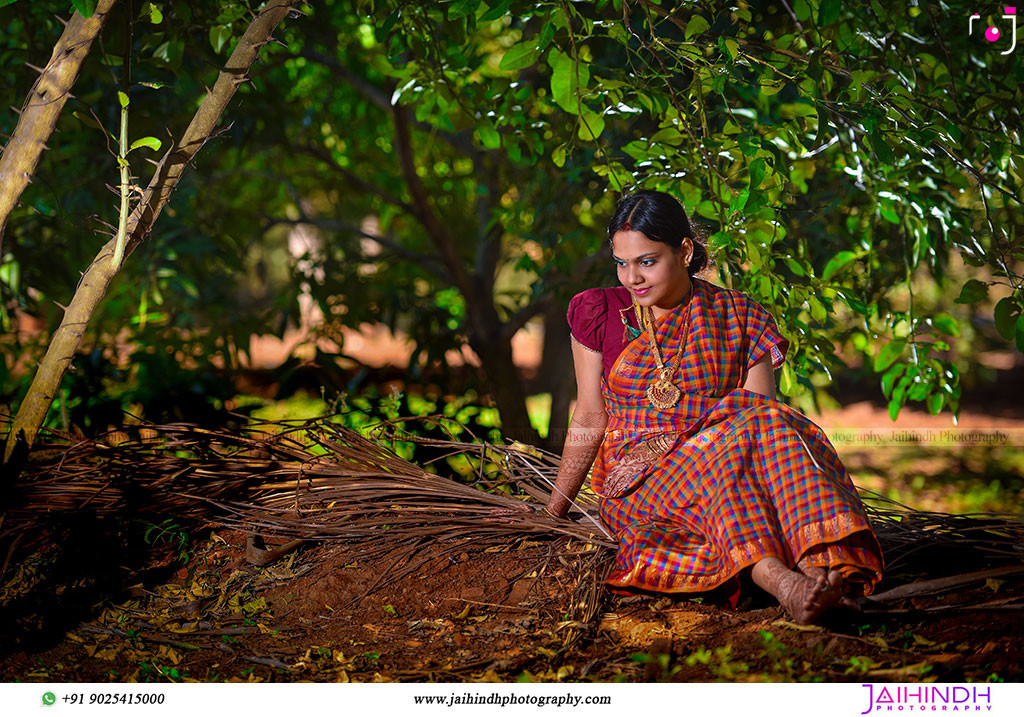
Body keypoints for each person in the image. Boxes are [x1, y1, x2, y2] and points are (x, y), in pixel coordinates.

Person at [544, 189, 883, 624]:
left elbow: (761, 418)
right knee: (724, 453)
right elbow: (591, 412)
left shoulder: (740, 314)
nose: (632, 278)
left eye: (647, 261)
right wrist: (556, 509)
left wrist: (711, 438)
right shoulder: (601, 312)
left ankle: (820, 575)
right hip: (638, 475)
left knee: (754, 433)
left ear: (684, 251)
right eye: (622, 262)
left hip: (726, 454)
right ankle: (783, 581)